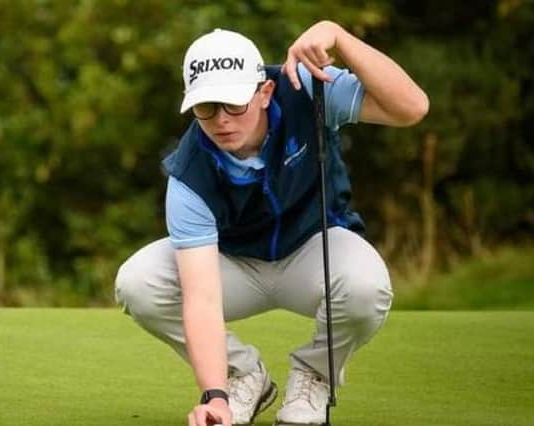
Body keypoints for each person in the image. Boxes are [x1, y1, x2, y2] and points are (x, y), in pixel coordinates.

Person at [115, 20, 428, 426]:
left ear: (264, 92)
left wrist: (340, 37)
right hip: (233, 266)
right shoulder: (189, 175)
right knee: (138, 283)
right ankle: (242, 376)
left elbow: (411, 107)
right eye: (206, 107)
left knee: (366, 287)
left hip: (314, 249)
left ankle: (315, 373)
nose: (221, 119)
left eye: (234, 103)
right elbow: (203, 299)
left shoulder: (308, 90)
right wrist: (214, 397)